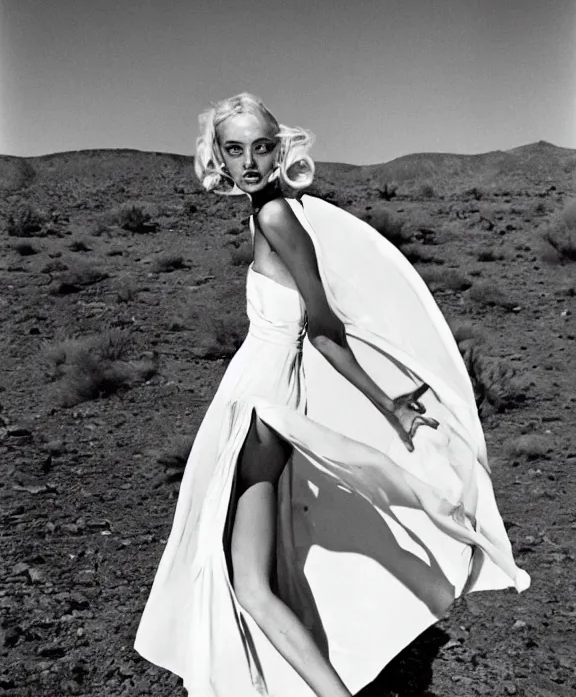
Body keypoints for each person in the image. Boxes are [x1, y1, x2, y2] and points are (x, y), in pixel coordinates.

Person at [134, 92, 529, 697]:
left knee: (250, 581)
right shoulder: (273, 212)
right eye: (234, 149)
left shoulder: (274, 218)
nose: (249, 162)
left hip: (261, 406)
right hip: (258, 395)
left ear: (278, 149)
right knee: (250, 583)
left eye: (261, 148)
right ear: (218, 155)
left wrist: (386, 401)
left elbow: (323, 327)